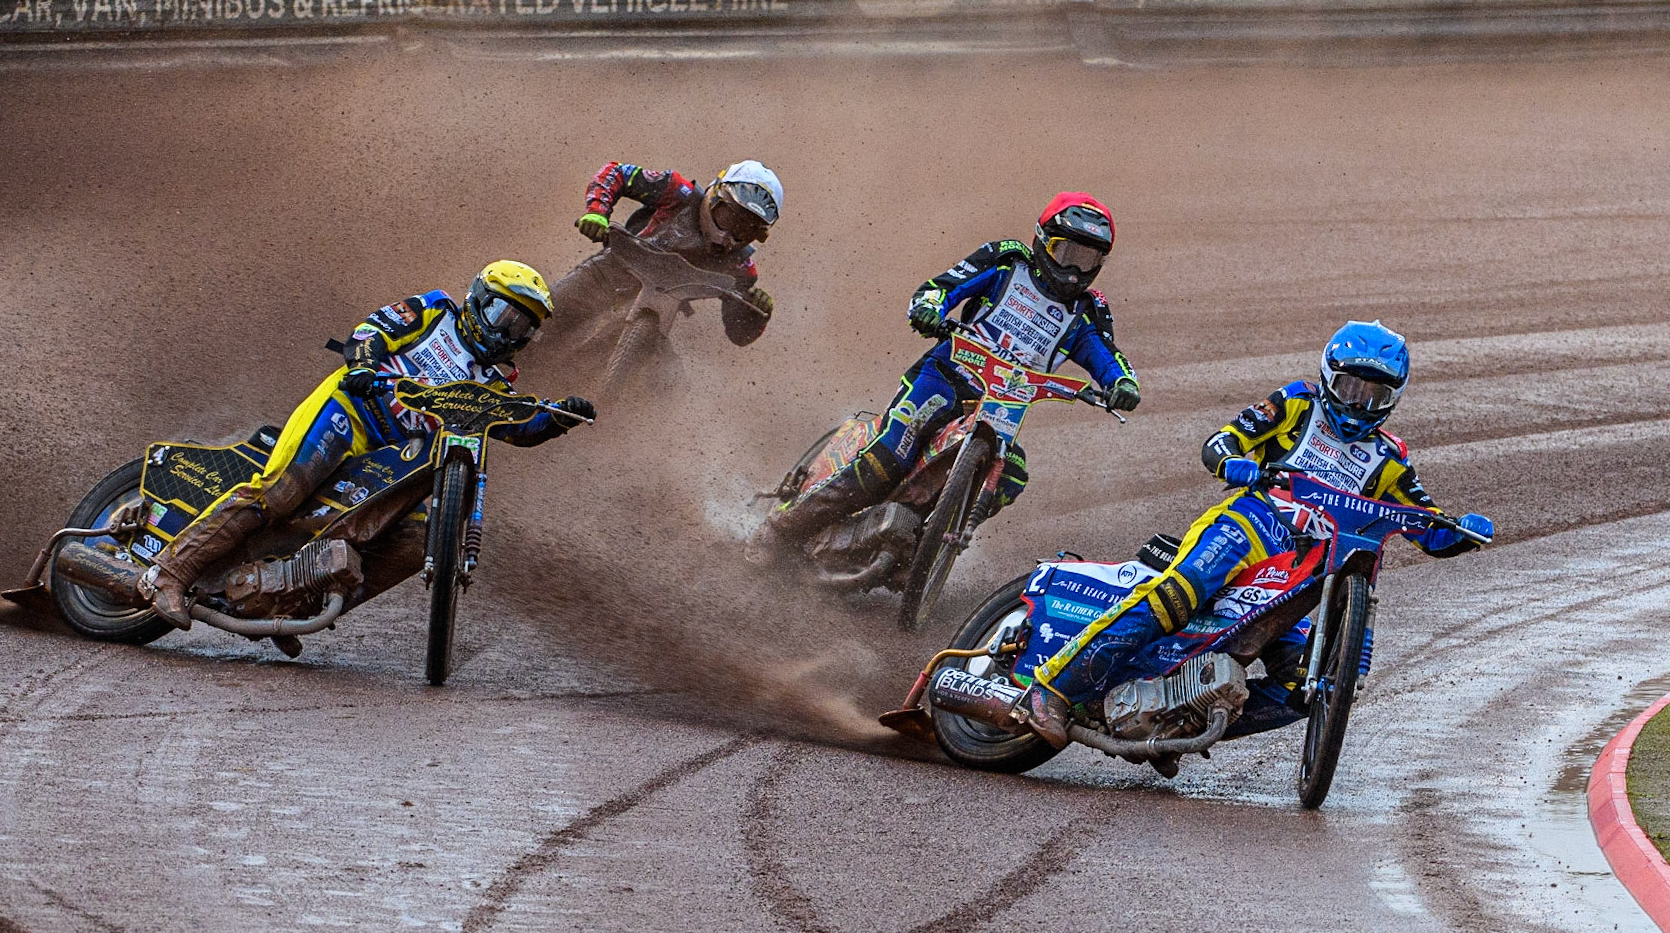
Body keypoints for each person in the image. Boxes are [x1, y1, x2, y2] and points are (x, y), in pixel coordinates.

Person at [1017, 319, 1495, 754]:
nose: (1357, 404)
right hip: (1249, 525)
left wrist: (1462, 530)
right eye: (1350, 387)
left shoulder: (1390, 458)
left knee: (1306, 685)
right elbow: (1220, 442)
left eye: (1373, 395)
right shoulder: (1297, 403)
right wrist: (1235, 463)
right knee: (1178, 594)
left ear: (1394, 398)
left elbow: (1428, 525)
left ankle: (1179, 726)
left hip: (1301, 575)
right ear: (1329, 376)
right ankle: (1052, 689)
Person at [138, 261, 596, 629]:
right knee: (280, 491)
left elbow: (515, 427)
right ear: (478, 300)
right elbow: (371, 330)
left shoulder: (497, 381)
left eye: (522, 327)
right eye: (503, 316)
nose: (508, 332)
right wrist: (362, 366)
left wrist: (558, 418)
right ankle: (169, 573)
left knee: (418, 542)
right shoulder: (435, 310)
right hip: (352, 413)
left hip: (400, 459)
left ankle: (295, 603)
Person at [753, 192, 1139, 554]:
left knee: (1012, 474)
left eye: (1086, 260)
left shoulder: (1087, 311)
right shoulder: (1006, 262)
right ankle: (781, 528)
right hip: (945, 378)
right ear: (1042, 240)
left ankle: (930, 546)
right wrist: (928, 310)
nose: (1072, 271)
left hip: (1003, 409)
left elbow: (1107, 356)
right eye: (1065, 252)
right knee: (889, 457)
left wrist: (1122, 383)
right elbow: (941, 287)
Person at [552, 159, 781, 349]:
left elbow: (738, 335)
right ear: (714, 196)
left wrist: (757, 314)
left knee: (671, 382)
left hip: (656, 323)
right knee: (539, 311)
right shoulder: (678, 191)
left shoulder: (741, 267)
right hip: (604, 277)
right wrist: (597, 213)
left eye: (745, 230)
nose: (730, 235)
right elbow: (616, 172)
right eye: (730, 218)